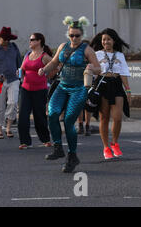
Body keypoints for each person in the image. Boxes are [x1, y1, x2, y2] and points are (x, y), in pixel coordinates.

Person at [38, 16, 100, 173]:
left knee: (68, 120)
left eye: (77, 35)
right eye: (71, 35)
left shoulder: (87, 49)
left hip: (79, 89)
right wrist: (44, 70)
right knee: (52, 114)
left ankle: (72, 156)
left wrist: (92, 68)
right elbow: (53, 62)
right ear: (68, 34)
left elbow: (100, 69)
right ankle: (58, 147)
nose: (74, 38)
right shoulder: (62, 46)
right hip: (62, 86)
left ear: (82, 35)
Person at [90, 28, 131, 160]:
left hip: (116, 84)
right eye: (103, 39)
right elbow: (92, 71)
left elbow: (123, 73)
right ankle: (106, 147)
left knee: (118, 117)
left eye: (108, 39)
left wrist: (128, 89)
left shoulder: (120, 55)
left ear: (114, 40)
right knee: (104, 118)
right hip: (102, 85)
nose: (106, 41)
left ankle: (115, 143)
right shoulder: (96, 54)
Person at [18, 33, 52, 149]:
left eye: (32, 40)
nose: (30, 41)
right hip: (25, 88)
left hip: (40, 90)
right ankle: (24, 141)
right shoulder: (27, 54)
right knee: (23, 115)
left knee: (39, 116)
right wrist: (19, 72)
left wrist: (46, 74)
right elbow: (22, 68)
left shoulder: (44, 56)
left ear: (39, 41)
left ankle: (45, 139)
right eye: (30, 39)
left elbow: (56, 67)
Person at [0, 26, 22, 139]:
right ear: (0, 38)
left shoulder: (14, 48)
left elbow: (20, 64)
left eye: (8, 39)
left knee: (13, 103)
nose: (7, 41)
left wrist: (21, 76)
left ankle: (8, 127)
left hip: (13, 80)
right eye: (5, 39)